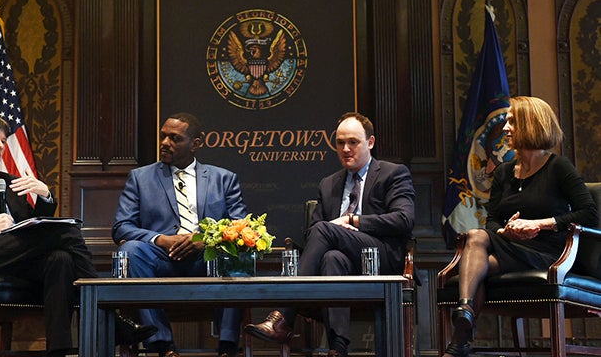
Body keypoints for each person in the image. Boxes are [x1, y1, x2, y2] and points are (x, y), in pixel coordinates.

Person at [0, 113, 156, 357]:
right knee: (67, 232)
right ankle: (110, 316)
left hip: (10, 254)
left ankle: (58, 349)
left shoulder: (9, 181)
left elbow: (29, 222)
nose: (0, 146)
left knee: (61, 259)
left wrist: (45, 196)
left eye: (3, 141)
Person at [244, 112, 415, 357]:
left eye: (353, 142)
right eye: (340, 142)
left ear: (370, 142)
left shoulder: (392, 173)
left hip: (381, 258)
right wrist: (335, 231)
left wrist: (352, 220)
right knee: (331, 257)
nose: (346, 149)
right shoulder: (329, 183)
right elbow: (314, 233)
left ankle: (283, 315)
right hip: (342, 264)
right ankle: (338, 349)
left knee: (326, 229)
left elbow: (404, 220)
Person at [441, 96, 599, 357]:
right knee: (477, 238)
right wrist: (506, 231)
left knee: (474, 257)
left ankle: (461, 335)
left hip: (547, 254)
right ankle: (464, 318)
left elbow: (589, 215)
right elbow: (492, 220)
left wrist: (541, 224)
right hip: (509, 247)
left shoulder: (559, 167)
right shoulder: (503, 172)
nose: (505, 129)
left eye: (512, 122)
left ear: (531, 124)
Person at [112, 112, 248, 357]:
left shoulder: (223, 179)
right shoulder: (140, 178)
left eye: (174, 138)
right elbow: (122, 226)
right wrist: (160, 239)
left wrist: (202, 240)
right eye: (163, 137)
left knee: (236, 254)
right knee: (130, 250)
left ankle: (228, 347)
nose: (164, 143)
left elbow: (240, 227)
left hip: (207, 260)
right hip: (161, 259)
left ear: (195, 144)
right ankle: (163, 346)